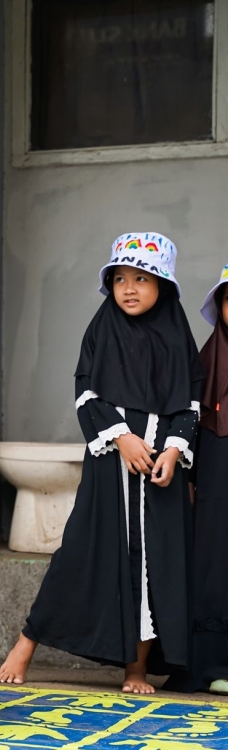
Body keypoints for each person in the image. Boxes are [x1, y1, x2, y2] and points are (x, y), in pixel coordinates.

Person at [0, 233, 203, 694]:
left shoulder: (177, 336)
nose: (129, 288)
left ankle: (135, 669)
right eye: (120, 278)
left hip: (162, 478)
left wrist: (172, 450)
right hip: (113, 468)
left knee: (155, 567)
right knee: (81, 554)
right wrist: (124, 439)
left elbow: (189, 403)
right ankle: (27, 642)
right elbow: (87, 394)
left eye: (142, 278)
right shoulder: (103, 330)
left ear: (164, 286)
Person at [165, 266, 228, 693]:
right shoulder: (209, 360)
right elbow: (190, 422)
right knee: (214, 561)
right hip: (217, 481)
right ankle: (213, 665)